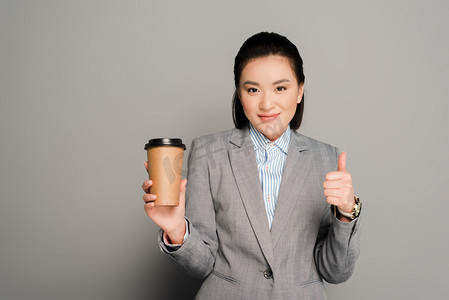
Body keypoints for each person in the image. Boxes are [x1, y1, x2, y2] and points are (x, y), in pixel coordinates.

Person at [142, 32, 362, 300]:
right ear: (239, 93)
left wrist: (347, 212)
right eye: (253, 89)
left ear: (300, 91)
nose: (267, 103)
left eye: (280, 88)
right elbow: (202, 265)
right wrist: (177, 230)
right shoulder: (208, 152)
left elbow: (335, 272)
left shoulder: (326, 157)